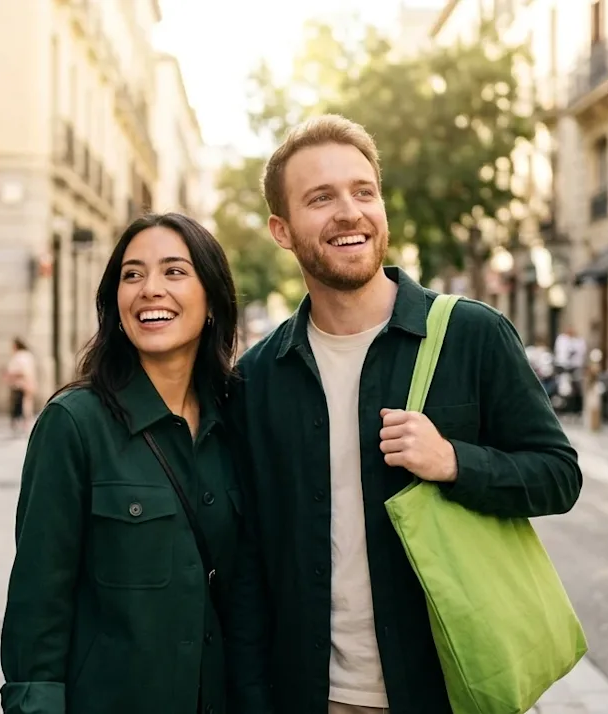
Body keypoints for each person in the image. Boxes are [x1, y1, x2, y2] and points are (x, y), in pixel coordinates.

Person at [225, 114, 583, 714]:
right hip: (317, 694)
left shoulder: (473, 334)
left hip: (450, 687)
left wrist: (454, 462)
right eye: (321, 198)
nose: (350, 212)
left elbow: (558, 475)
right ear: (282, 231)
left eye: (364, 191)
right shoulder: (258, 377)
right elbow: (250, 560)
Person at [0, 213, 241, 713]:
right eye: (132, 275)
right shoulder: (73, 424)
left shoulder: (237, 422)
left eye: (174, 271)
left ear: (213, 299)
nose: (150, 289)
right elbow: (38, 604)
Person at [4, 338, 38, 435]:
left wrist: (10, 375)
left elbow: (20, 371)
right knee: (27, 403)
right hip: (29, 383)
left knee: (18, 404)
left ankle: (20, 423)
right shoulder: (28, 355)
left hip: (20, 384)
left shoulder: (19, 356)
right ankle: (26, 423)